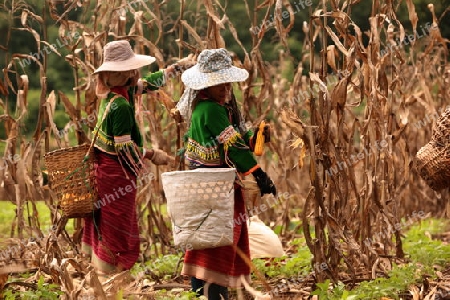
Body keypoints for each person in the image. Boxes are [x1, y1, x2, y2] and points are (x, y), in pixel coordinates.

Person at [82, 40, 194, 278]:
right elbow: (123, 148)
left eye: (128, 70)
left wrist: (178, 67)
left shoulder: (117, 94)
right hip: (115, 174)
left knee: (105, 222)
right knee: (118, 225)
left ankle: (104, 273)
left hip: (103, 172)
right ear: (112, 75)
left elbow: (150, 83)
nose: (129, 74)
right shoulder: (121, 105)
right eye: (121, 71)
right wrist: (153, 155)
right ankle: (112, 276)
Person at [176, 48, 277, 300]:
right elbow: (233, 145)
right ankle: (212, 292)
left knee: (209, 235)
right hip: (216, 185)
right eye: (217, 83)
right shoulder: (211, 110)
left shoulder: (216, 108)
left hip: (209, 183)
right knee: (220, 237)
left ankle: (204, 289)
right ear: (205, 87)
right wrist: (258, 173)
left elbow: (238, 138)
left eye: (226, 82)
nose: (224, 88)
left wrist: (257, 137)